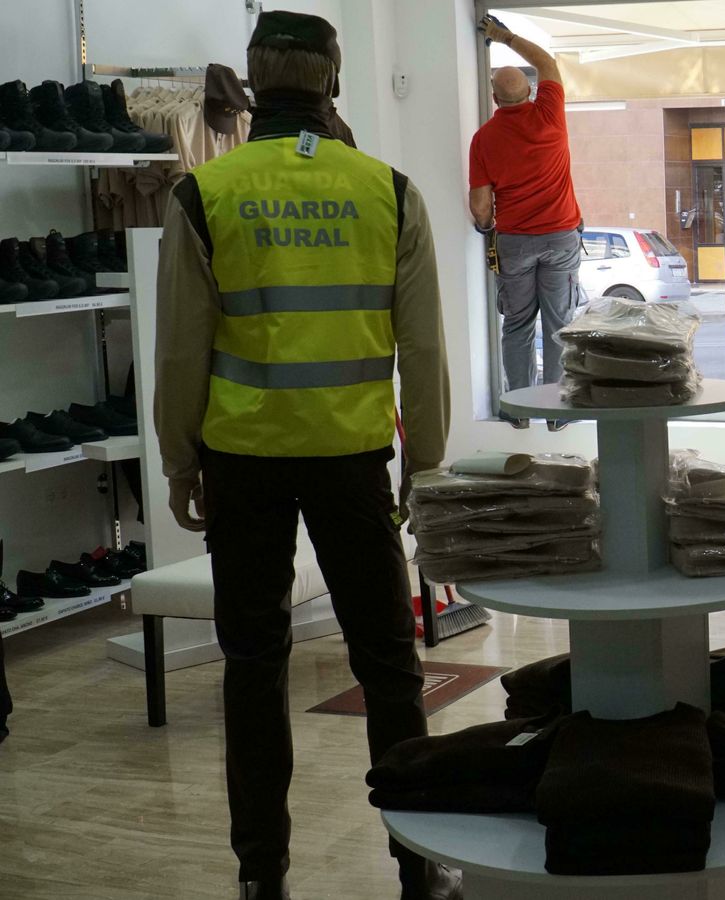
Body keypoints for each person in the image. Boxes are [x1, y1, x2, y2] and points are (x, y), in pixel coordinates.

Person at [152, 12, 457, 900]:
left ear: (250, 85)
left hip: (241, 460)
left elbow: (181, 350)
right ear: (331, 81)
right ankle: (419, 869)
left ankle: (262, 878)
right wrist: (426, 463)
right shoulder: (387, 189)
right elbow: (424, 348)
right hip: (352, 459)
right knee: (391, 671)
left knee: (253, 668)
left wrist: (179, 463)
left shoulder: (205, 193)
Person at [470, 15, 583, 431]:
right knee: (558, 324)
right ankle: (555, 412)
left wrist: (487, 229)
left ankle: (519, 410)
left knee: (517, 325)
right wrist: (505, 36)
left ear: (495, 100)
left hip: (515, 241)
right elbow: (548, 63)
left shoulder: (483, 139)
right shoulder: (551, 114)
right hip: (560, 235)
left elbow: (481, 206)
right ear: (531, 92)